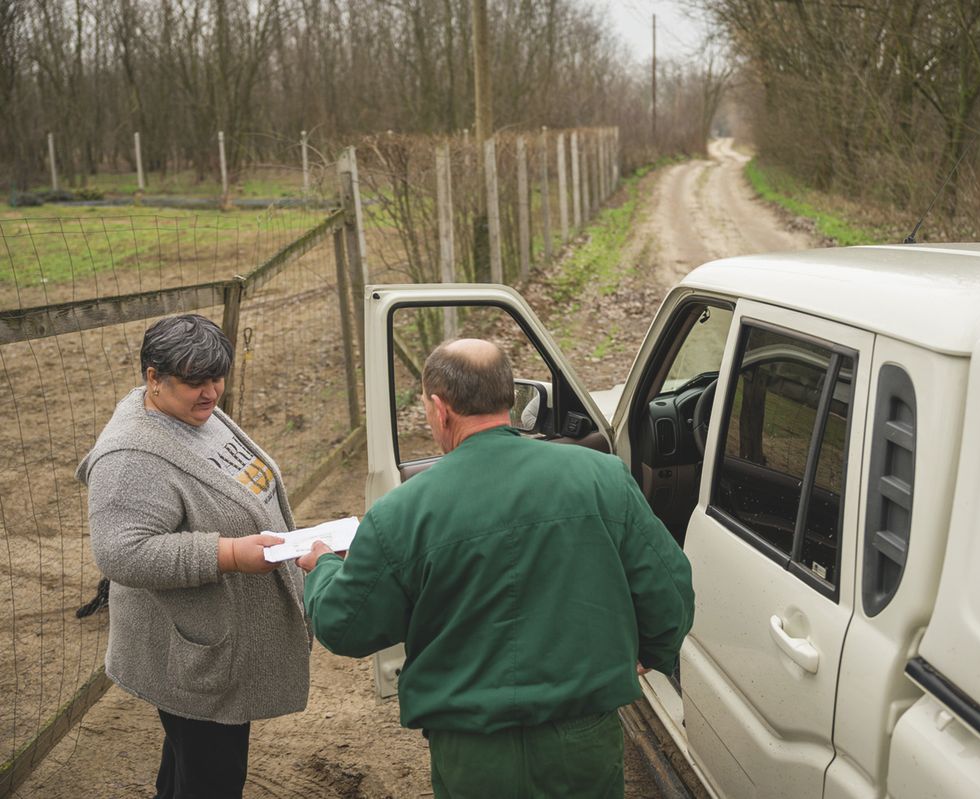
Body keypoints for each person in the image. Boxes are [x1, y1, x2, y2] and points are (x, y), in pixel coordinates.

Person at [299, 338, 695, 799]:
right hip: (583, 740)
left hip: (472, 752)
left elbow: (345, 627)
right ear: (510, 398)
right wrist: (649, 651)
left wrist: (322, 565)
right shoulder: (602, 477)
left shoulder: (401, 512)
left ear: (438, 408)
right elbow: (671, 590)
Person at [76, 314, 310, 799]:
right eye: (194, 382)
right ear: (153, 379)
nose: (210, 392)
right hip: (194, 652)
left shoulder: (189, 413)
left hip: (213, 644)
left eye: (217, 378)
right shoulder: (129, 458)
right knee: (213, 779)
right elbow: (121, 552)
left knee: (192, 767)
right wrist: (227, 554)